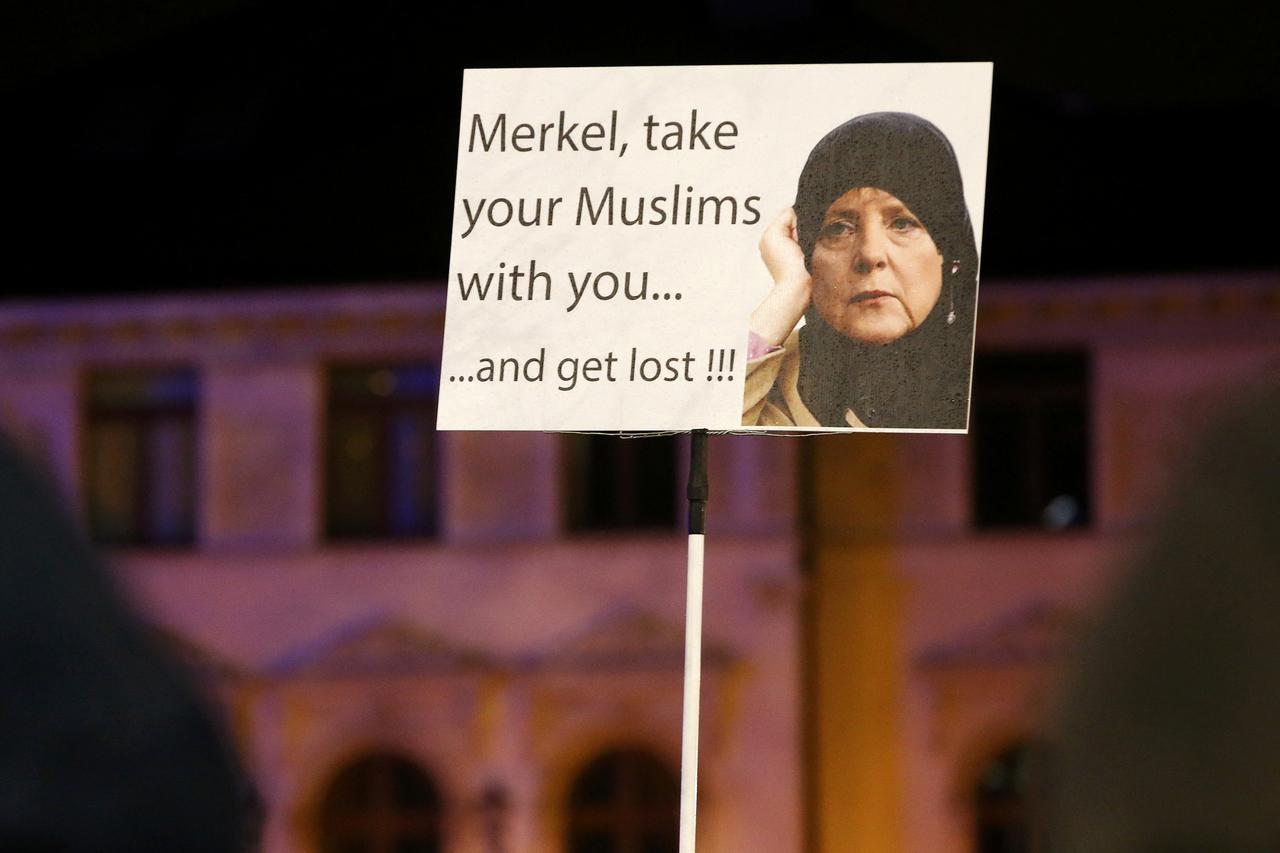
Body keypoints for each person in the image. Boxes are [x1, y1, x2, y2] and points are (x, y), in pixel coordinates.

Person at [742, 111, 979, 429]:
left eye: (902, 223)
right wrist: (791, 288)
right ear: (808, 252)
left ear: (948, 254)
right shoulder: (769, 391)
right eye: (839, 228)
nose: (869, 254)